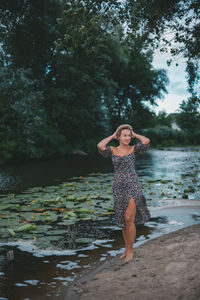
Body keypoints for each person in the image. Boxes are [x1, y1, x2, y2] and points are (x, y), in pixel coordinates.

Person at [97, 124, 151, 262]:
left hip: (133, 185)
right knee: (122, 221)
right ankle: (126, 248)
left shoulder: (134, 149)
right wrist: (113, 135)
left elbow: (146, 141)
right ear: (119, 137)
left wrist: (134, 134)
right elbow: (100, 146)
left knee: (128, 218)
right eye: (124, 135)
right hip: (119, 187)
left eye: (129, 135)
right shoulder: (112, 150)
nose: (127, 138)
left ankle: (131, 251)